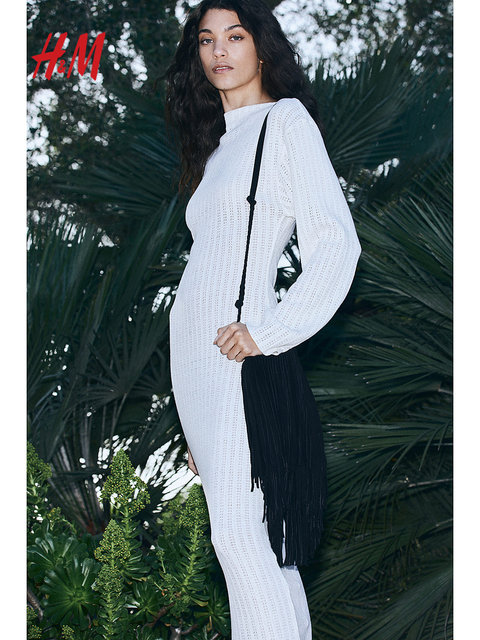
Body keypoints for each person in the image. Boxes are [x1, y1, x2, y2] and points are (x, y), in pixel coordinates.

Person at [164, 1, 362, 638]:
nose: (219, 51)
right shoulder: (221, 146)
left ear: (261, 47)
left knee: (239, 538)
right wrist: (193, 418)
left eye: (235, 36)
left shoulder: (284, 121)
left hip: (238, 360)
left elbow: (336, 242)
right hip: (200, 372)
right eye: (206, 40)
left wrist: (270, 331)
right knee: (256, 543)